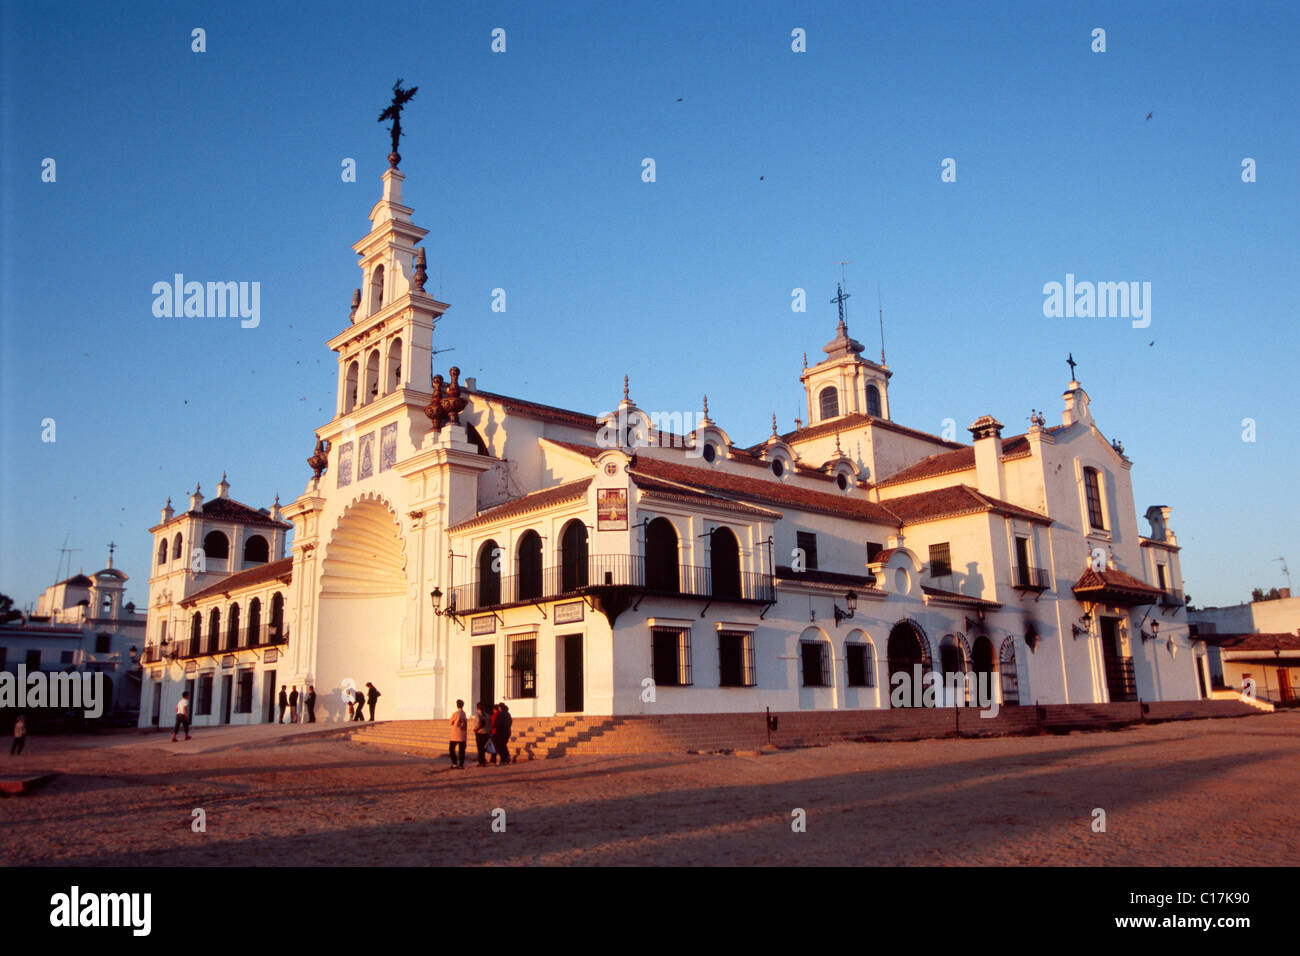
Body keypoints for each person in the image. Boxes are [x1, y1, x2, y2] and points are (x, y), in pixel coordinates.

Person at [448, 699, 468, 769]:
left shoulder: (455, 714)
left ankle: (454, 763)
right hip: (463, 735)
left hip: (455, 735)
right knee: (462, 751)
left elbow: (451, 722)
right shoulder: (464, 713)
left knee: (451, 749)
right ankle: (461, 764)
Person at [473, 701, 489, 766]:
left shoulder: (477, 714)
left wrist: (476, 729)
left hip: (480, 733)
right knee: (483, 748)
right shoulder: (487, 715)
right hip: (486, 733)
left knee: (480, 748)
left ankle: (481, 762)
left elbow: (479, 723)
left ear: (477, 707)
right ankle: (483, 761)